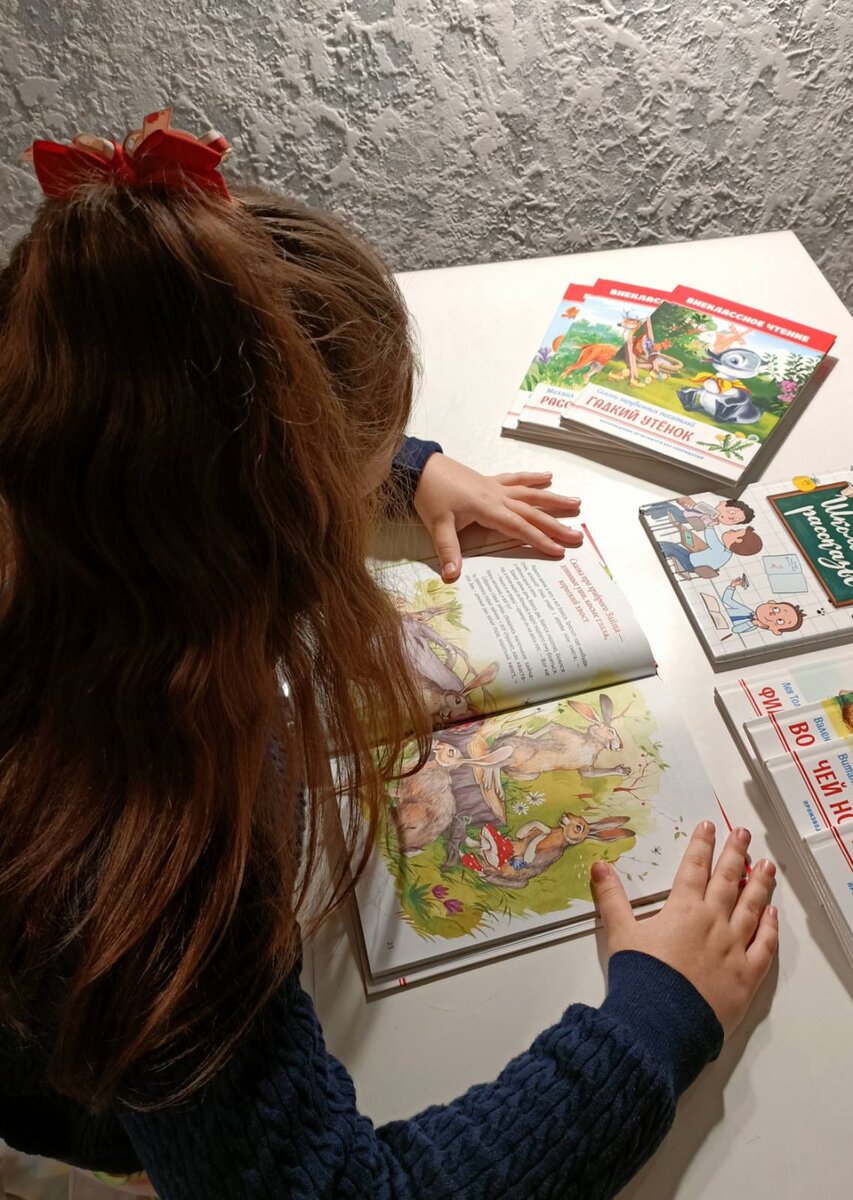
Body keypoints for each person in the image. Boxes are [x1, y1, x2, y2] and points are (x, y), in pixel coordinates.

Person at [0, 111, 778, 1200]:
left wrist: (400, 472)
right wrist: (656, 1020)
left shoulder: (47, 443)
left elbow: (162, 400)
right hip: (89, 1120)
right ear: (261, 537)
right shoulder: (154, 870)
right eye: (342, 496)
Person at [721, 576, 805, 637]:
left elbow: (735, 629)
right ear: (771, 603)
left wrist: (754, 623)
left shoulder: (752, 626)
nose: (772, 614)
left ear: (776, 630)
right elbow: (727, 600)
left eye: (780, 621)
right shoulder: (747, 611)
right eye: (776, 609)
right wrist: (732, 586)